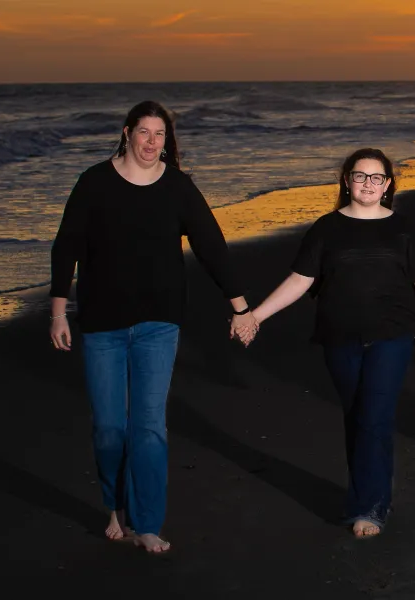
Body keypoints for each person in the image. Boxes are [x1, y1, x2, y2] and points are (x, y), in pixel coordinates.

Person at [238, 148, 415, 538]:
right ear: (346, 180)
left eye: (376, 178)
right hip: (339, 337)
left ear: (388, 185)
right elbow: (300, 280)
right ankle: (367, 495)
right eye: (360, 176)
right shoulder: (326, 228)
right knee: (357, 417)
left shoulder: (402, 229)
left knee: (374, 416)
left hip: (392, 335)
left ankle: (370, 507)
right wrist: (256, 315)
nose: (368, 184)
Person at [49, 101, 256, 553]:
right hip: (102, 323)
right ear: (126, 133)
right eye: (144, 132)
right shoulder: (94, 183)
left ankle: (145, 523)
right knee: (108, 428)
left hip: (159, 324)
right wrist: (59, 310)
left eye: (160, 135)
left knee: (148, 427)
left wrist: (241, 307)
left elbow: (211, 245)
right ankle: (114, 505)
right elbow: (67, 245)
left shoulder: (178, 187)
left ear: (168, 141)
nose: (151, 142)